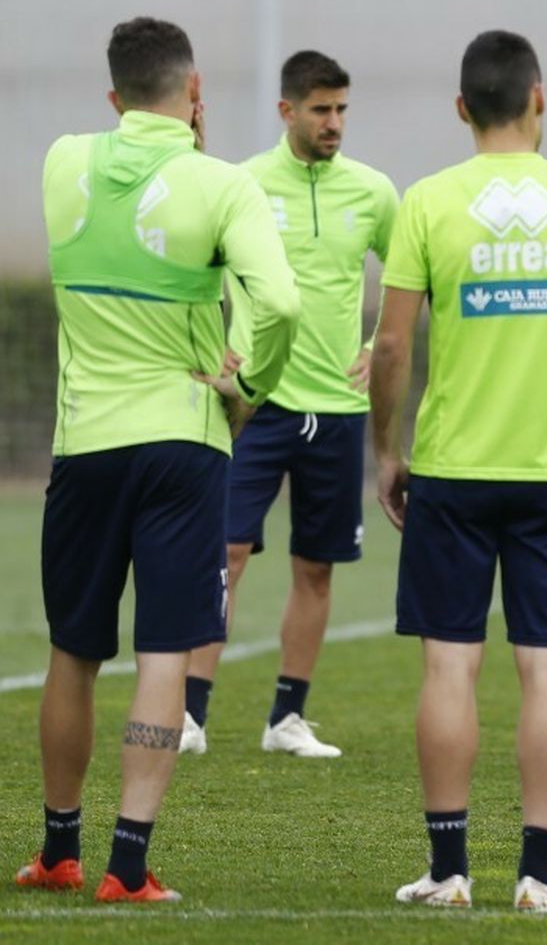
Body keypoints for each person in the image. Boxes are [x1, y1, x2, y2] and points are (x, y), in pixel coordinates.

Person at [18, 16, 299, 902]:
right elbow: (281, 301)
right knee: (165, 651)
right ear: (195, 92)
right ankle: (126, 866)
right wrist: (249, 382)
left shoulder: (63, 159)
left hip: (85, 443)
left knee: (73, 650)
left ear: (113, 95)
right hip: (183, 439)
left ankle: (58, 850)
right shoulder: (221, 182)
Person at [371, 29, 547, 911]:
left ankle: (449, 871)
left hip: (451, 468)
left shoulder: (428, 200)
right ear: (539, 101)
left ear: (462, 108)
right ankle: (540, 871)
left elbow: (392, 343)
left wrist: (386, 451)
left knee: (450, 668)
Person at [182, 50, 399, 759]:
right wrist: (215, 343)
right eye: (320, 110)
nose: (334, 122)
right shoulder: (242, 182)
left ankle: (286, 719)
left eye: (341, 109)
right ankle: (189, 713)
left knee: (316, 565)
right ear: (286, 111)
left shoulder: (372, 191)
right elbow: (198, 270)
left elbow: (407, 278)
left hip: (337, 407)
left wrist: (377, 341)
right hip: (256, 405)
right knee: (227, 552)